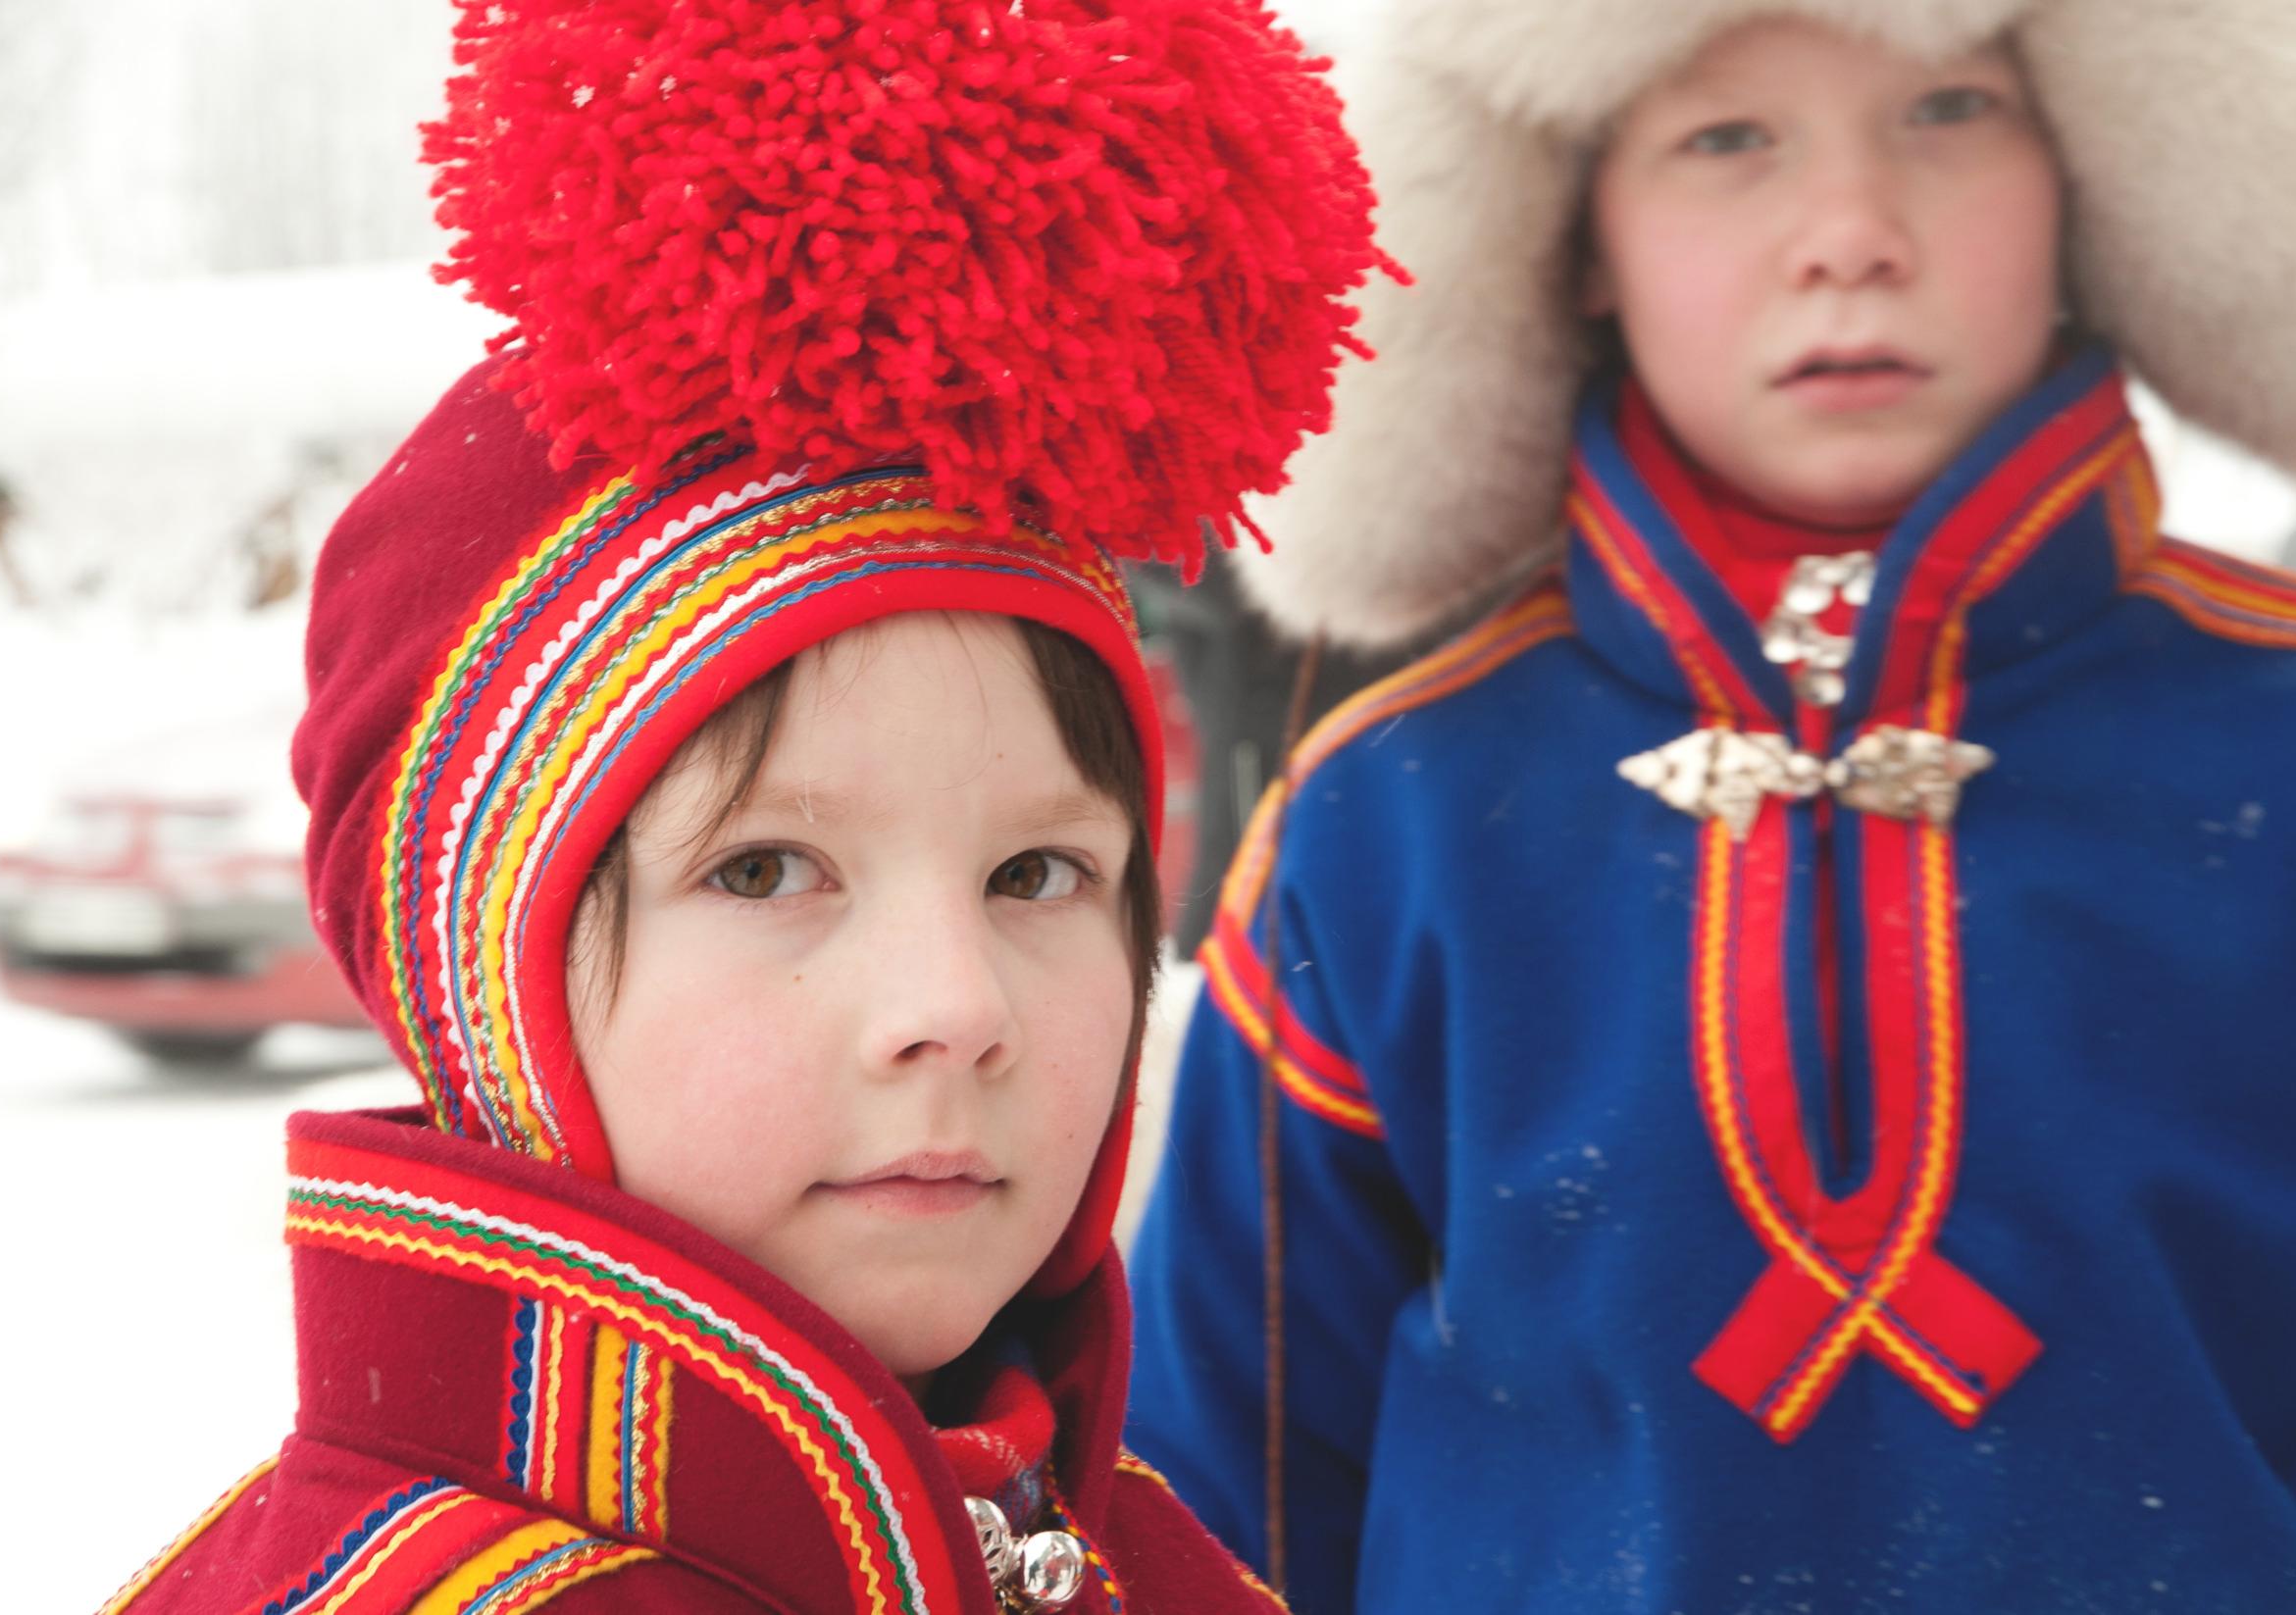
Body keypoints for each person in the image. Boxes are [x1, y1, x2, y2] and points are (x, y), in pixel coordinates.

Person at [96, 0, 1392, 1609]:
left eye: (1040, 873)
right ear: (490, 992)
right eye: (771, 867)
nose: (956, 1007)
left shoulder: (1153, 1564)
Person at [1125, 4, 2296, 1611]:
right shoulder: (1389, 824)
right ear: (1572, 237)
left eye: (1953, 109)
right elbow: (1212, 1511)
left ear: (2096, 180)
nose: (1851, 233)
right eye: (1726, 139)